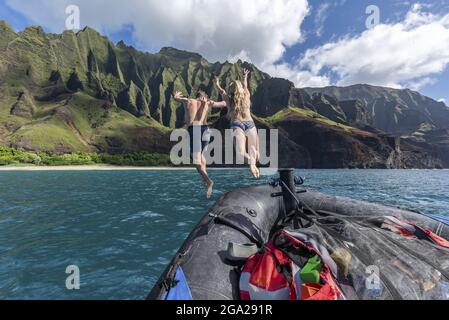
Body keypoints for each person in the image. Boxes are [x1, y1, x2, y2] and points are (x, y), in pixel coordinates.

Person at [214, 69, 260, 178]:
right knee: (253, 155)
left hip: (241, 124)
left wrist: (216, 84)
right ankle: (252, 164)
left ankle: (252, 163)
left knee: (246, 154)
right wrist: (244, 77)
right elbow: (245, 86)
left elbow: (222, 91)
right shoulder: (246, 94)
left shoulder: (230, 99)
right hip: (247, 124)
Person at [173, 90, 215, 198]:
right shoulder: (208, 102)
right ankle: (205, 179)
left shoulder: (189, 101)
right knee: (201, 156)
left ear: (196, 96)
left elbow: (176, 98)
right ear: (204, 96)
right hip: (206, 130)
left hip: (194, 128)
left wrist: (176, 95)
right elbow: (223, 104)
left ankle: (208, 180)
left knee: (196, 161)